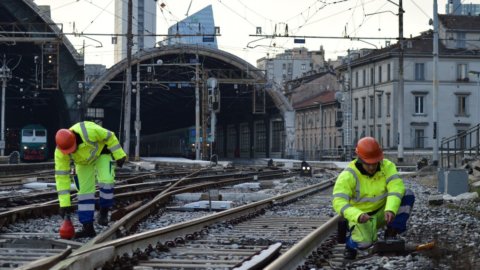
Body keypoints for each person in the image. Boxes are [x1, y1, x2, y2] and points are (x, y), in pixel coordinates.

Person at [332, 137, 415, 259]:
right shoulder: (348, 175)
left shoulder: (387, 166)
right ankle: (350, 246)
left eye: (374, 163)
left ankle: (391, 234)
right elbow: (338, 201)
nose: (372, 167)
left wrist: (390, 209)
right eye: (368, 163)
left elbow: (396, 189)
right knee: (364, 243)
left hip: (383, 212)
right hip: (362, 217)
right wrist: (357, 215)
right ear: (359, 159)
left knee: (407, 194)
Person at [54, 121, 127, 238]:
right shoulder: (60, 151)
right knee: (84, 194)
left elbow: (109, 136)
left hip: (101, 153)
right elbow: (61, 176)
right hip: (83, 163)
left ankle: (104, 211)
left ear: (75, 141)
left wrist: (119, 154)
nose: (71, 152)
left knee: (107, 181)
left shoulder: (89, 131)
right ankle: (88, 228)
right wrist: (64, 203)